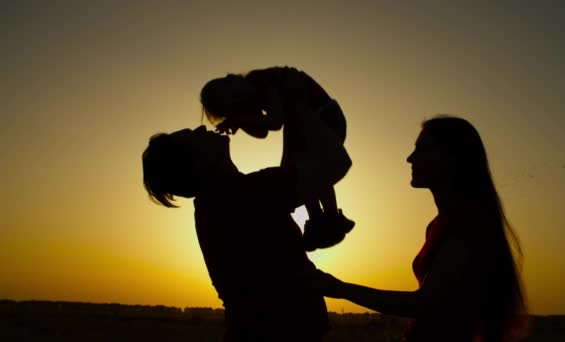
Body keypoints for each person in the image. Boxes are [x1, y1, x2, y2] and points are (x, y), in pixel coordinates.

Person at [141, 77, 352, 341]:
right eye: (193, 136)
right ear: (197, 164)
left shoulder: (220, 201)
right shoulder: (244, 195)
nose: (200, 128)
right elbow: (336, 162)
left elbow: (292, 168)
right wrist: (295, 101)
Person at [313, 115, 528, 341]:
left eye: (422, 150)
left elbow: (422, 304)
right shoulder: (439, 225)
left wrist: (340, 288)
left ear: (450, 158)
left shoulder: (467, 224)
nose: (410, 158)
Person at [200, 66, 354, 252]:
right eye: (233, 103)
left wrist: (241, 120)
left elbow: (275, 122)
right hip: (306, 126)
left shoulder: (259, 79)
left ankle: (329, 217)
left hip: (324, 115)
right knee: (301, 167)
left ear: (233, 79)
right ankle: (320, 220)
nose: (239, 99)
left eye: (234, 94)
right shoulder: (251, 97)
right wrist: (240, 121)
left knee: (307, 167)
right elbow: (262, 132)